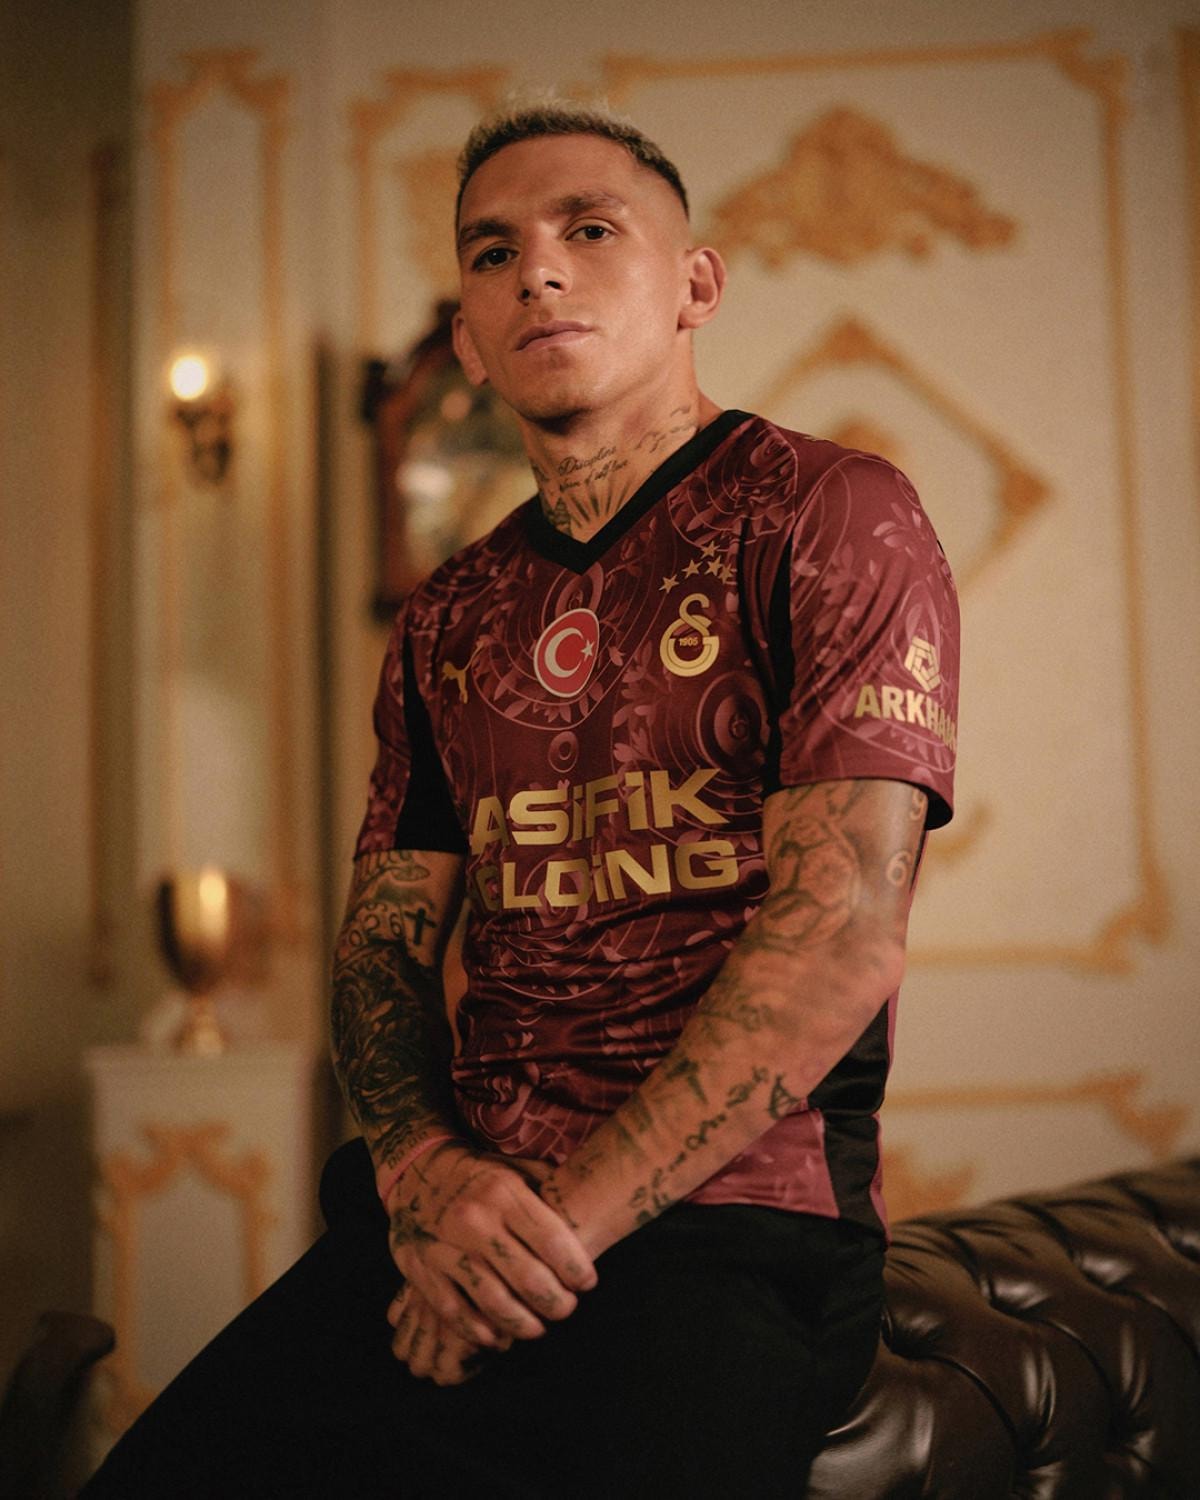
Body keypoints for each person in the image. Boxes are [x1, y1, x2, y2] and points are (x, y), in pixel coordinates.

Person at [83, 103, 959, 1499]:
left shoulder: (831, 510)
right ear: (471, 336)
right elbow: (380, 949)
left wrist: (541, 1241)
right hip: (458, 1203)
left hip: (732, 1223)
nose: (537, 270)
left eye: (589, 231)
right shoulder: (449, 614)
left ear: (697, 285)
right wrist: (426, 1176)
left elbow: (842, 930)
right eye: (492, 254)